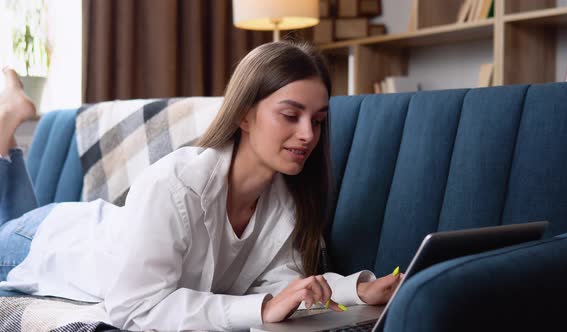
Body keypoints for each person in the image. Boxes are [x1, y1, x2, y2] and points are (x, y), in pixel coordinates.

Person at [0, 41, 403, 331]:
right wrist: (261, 310)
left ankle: (7, 126)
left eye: (316, 120)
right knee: (7, 223)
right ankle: (6, 123)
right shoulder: (176, 183)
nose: (307, 135)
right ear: (244, 115)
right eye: (290, 115)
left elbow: (283, 285)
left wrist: (359, 289)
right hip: (47, 241)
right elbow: (134, 309)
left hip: (82, 223)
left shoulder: (288, 200)